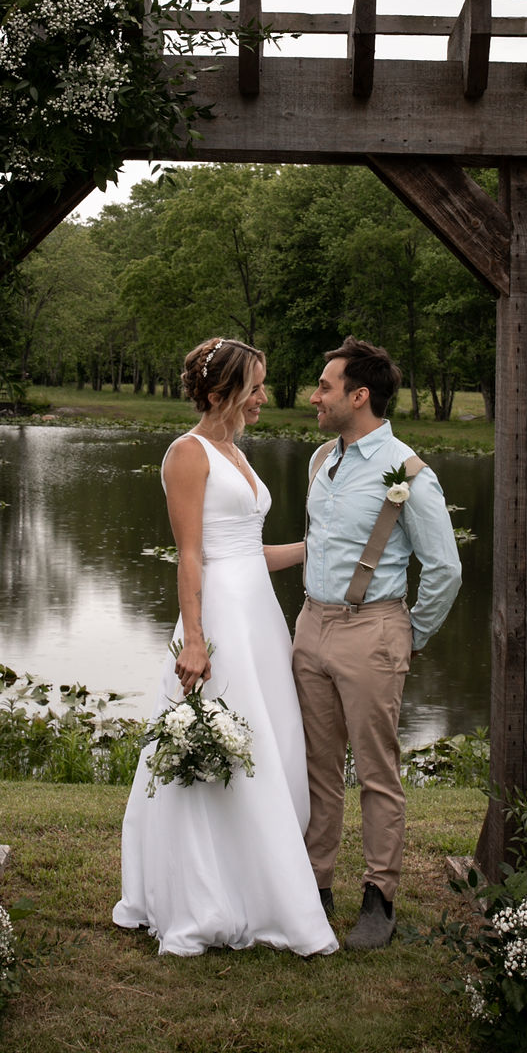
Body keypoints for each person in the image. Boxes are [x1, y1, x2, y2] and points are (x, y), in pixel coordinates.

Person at [113, 338, 338, 958]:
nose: (265, 396)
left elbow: (248, 551)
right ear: (220, 395)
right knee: (219, 743)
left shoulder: (235, 453)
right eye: (256, 386)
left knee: (268, 743)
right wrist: (194, 639)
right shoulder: (187, 454)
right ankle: (206, 895)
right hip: (218, 619)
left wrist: (318, 548)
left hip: (259, 616)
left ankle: (261, 882)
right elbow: (193, 555)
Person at [292, 336, 462, 951]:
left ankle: (379, 897)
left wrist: (408, 636)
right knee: (316, 768)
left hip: (374, 631)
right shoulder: (320, 460)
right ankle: (313, 888)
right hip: (310, 626)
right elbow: (323, 545)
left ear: (359, 397)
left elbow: (444, 569)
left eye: (326, 387)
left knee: (377, 772)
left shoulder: (409, 473)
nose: (315, 396)